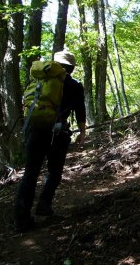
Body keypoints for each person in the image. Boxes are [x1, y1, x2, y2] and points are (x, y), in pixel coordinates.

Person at [14, 50, 86, 233]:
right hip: (58, 134)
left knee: (30, 173)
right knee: (54, 172)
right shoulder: (74, 86)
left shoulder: (39, 80)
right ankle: (44, 205)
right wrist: (82, 132)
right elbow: (80, 111)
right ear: (72, 67)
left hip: (35, 131)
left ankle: (21, 219)